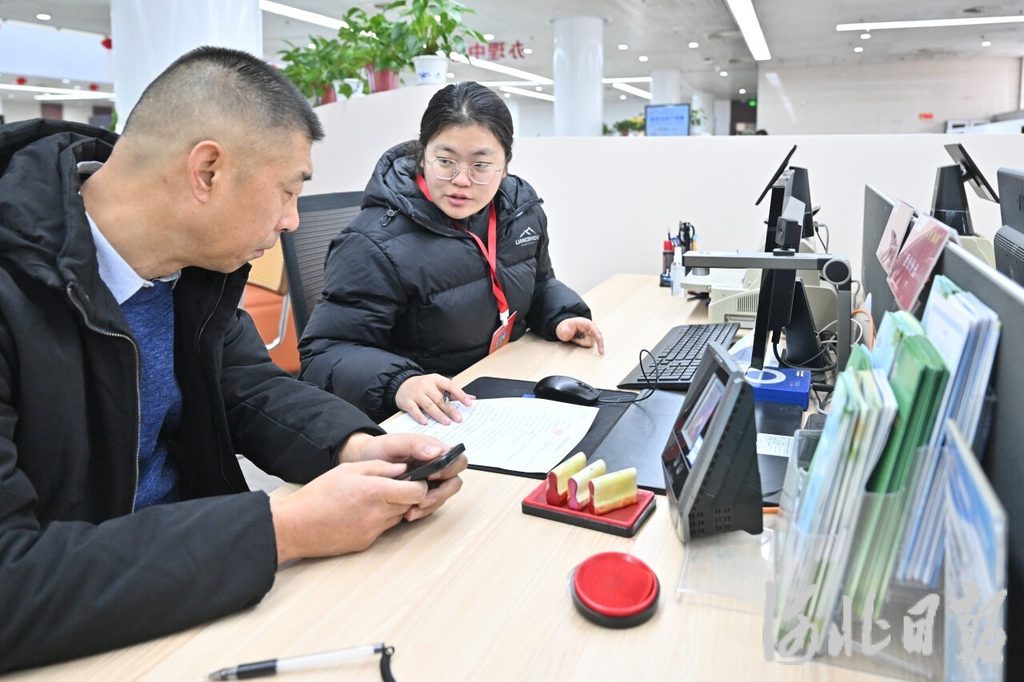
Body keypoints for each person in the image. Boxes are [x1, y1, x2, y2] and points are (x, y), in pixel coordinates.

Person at [0, 46, 466, 673]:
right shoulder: (18, 286)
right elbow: (12, 581)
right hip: (81, 631)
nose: (293, 221)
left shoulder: (189, 269)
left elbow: (246, 385)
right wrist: (284, 528)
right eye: (287, 191)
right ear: (208, 171)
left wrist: (352, 446)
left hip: (196, 578)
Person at [299, 82, 604, 425]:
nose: (461, 180)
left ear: (505, 165)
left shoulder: (520, 209)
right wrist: (400, 383)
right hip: (428, 416)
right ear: (423, 155)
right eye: (445, 161)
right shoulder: (371, 243)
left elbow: (539, 282)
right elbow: (325, 352)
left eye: (480, 165)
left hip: (500, 386)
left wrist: (560, 316)